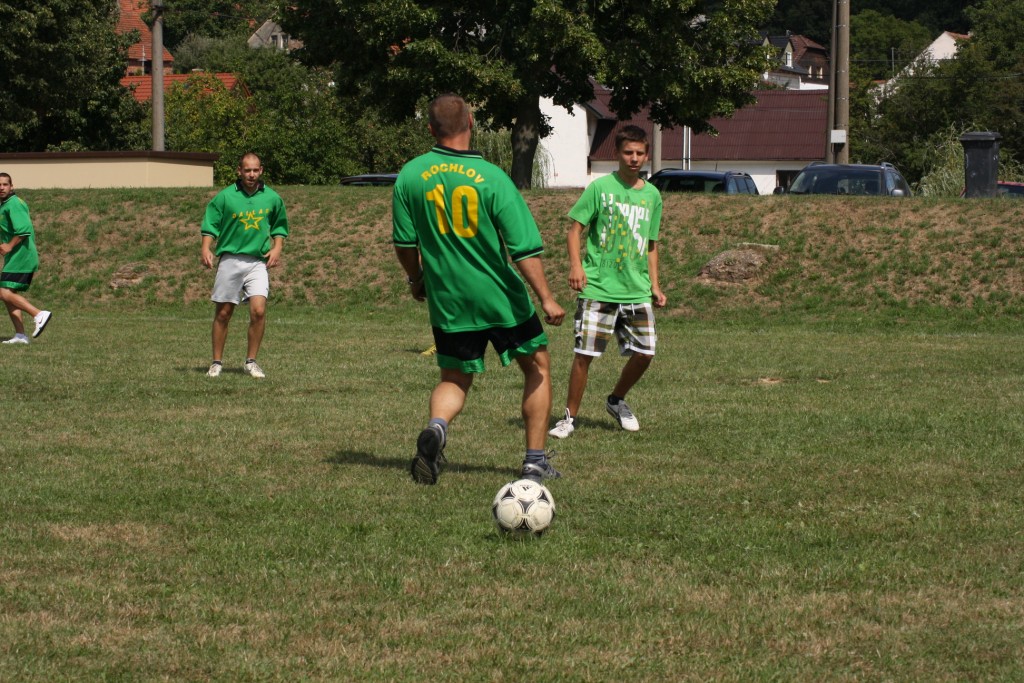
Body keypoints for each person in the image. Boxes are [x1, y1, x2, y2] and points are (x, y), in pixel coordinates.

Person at [392, 94, 566, 485]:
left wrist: (416, 279)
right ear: (471, 122)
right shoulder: (492, 177)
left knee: (453, 378)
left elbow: (404, 244)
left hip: (449, 300)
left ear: (431, 129)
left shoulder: (410, 175)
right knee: (537, 368)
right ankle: (535, 462)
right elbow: (523, 248)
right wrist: (546, 298)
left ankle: (437, 427)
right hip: (498, 297)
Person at [548, 125, 667, 439]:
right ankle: (569, 418)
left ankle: (616, 400)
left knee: (646, 353)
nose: (634, 158)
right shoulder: (600, 188)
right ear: (617, 153)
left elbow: (651, 245)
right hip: (599, 287)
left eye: (639, 153)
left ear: (647, 155)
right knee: (584, 355)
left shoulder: (652, 195)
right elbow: (574, 230)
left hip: (636, 289)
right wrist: (576, 267)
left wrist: (655, 285)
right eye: (628, 152)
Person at [200, 153, 289, 378]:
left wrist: (277, 247)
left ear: (261, 170)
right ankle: (216, 363)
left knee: (259, 311)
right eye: (247, 170)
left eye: (255, 170)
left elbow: (279, 226)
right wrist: (206, 247)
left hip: (257, 262)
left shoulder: (272, 198)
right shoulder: (225, 197)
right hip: (230, 259)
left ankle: (251, 362)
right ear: (239, 171)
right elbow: (211, 224)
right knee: (223, 313)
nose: (251, 174)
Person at [0, 173, 52, 344]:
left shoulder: (14, 203)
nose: (1, 188)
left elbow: (24, 230)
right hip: (14, 257)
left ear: (11, 187)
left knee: (4, 292)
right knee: (8, 294)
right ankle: (20, 335)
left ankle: (39, 314)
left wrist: (9, 246)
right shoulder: (5, 205)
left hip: (22, 256)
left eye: (5, 184)